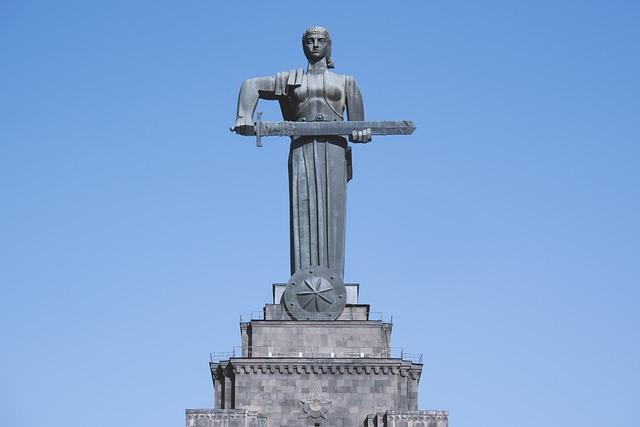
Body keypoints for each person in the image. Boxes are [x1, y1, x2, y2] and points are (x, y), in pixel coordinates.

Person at [233, 26, 370, 283]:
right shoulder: (291, 78)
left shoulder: (346, 82)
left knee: (333, 213)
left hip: (334, 149)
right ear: (302, 46)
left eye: (320, 41)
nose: (315, 45)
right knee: (302, 208)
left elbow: (358, 126)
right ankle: (303, 280)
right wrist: (244, 116)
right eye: (309, 41)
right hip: (302, 147)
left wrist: (360, 133)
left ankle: (333, 281)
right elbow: (250, 85)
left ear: (329, 46)